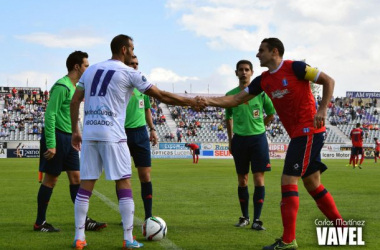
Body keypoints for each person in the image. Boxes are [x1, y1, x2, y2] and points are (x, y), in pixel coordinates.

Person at [197, 38, 344, 250]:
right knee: (312, 183)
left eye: (261, 51)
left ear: (274, 51)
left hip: (308, 130)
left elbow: (329, 81)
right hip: (299, 134)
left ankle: (288, 241)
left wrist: (322, 110)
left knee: (288, 180)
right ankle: (341, 228)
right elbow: (235, 100)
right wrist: (207, 101)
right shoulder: (263, 80)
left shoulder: (296, 67)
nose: (257, 55)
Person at [70, 34, 201, 249]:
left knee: (86, 186)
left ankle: (79, 238)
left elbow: (76, 100)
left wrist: (76, 130)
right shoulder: (129, 72)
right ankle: (128, 238)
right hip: (113, 133)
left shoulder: (91, 69)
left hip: (90, 133)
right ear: (124, 50)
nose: (133, 52)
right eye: (131, 48)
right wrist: (191, 101)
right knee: (124, 183)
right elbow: (162, 96)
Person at [34, 51, 106, 233]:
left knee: (76, 178)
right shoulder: (62, 86)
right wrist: (51, 143)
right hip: (57, 138)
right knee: (51, 180)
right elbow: (50, 114)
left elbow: (72, 116)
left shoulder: (75, 88)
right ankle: (40, 222)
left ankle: (84, 220)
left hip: (69, 139)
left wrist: (77, 133)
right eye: (86, 66)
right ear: (77, 67)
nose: (88, 68)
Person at [226, 60, 275, 230]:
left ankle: (257, 220)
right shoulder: (231, 94)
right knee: (242, 180)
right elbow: (228, 118)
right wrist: (231, 140)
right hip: (240, 140)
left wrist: (262, 125)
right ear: (236, 72)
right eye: (241, 70)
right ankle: (245, 217)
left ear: (252, 72)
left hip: (258, 139)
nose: (244, 72)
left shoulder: (261, 93)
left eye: (247, 70)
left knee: (258, 178)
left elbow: (271, 113)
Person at [124, 55, 158, 220]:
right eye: (132, 64)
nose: (135, 66)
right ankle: (126, 215)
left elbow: (147, 110)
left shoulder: (142, 88)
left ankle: (148, 216)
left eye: (137, 64)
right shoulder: (119, 86)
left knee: (145, 175)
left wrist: (152, 129)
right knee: (123, 177)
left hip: (140, 133)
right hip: (122, 133)